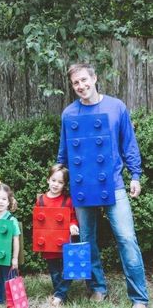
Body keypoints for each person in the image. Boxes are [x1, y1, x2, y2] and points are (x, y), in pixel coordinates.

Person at [57, 63, 149, 308]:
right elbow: (64, 153)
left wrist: (136, 176)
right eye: (76, 83)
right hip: (82, 188)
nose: (81, 86)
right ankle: (97, 287)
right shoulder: (69, 114)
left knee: (127, 238)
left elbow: (128, 143)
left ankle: (139, 297)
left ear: (94, 78)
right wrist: (56, 181)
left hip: (115, 184)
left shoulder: (116, 107)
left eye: (84, 80)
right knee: (86, 239)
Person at [35, 164, 79, 307]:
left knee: (69, 268)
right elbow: (38, 222)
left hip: (65, 241)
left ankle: (59, 295)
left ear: (65, 184)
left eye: (60, 182)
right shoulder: (41, 200)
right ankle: (60, 294)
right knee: (54, 271)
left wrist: (73, 225)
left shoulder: (67, 201)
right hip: (49, 244)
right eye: (54, 180)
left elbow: (72, 217)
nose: (56, 184)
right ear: (48, 179)